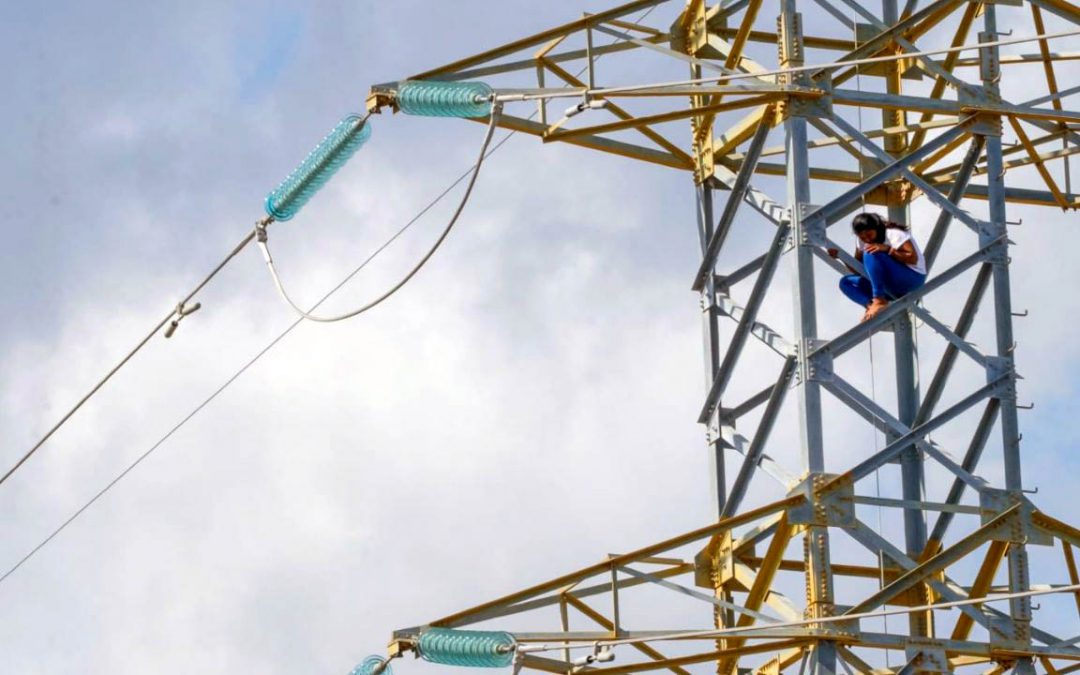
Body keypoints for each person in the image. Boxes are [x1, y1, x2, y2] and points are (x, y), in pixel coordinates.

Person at [828, 212, 927, 322]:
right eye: (863, 237)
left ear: (877, 228)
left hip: (911, 279)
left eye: (869, 235)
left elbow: (913, 259)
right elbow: (858, 269)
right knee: (845, 282)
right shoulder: (862, 241)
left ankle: (879, 300)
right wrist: (840, 256)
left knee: (870, 251)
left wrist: (888, 249)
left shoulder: (893, 234)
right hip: (889, 286)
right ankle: (871, 305)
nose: (867, 239)